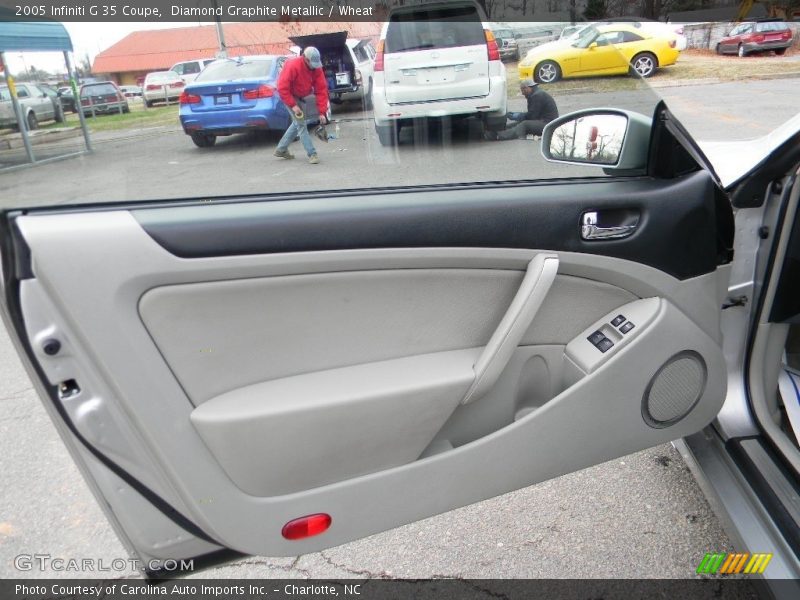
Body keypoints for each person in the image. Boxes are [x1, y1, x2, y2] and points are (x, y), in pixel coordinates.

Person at [274, 47, 330, 164]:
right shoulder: (292, 65)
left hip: (302, 96)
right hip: (289, 96)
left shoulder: (316, 68)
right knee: (301, 124)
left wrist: (322, 112)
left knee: (297, 123)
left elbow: (321, 90)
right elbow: (282, 88)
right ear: (305, 58)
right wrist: (293, 106)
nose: (314, 67)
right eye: (312, 63)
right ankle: (312, 154)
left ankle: (281, 149)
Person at [485, 79, 558, 141]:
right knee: (520, 122)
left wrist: (518, 116)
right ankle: (496, 131)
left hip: (548, 124)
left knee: (524, 124)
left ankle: (499, 136)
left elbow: (532, 116)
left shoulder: (537, 96)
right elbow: (533, 114)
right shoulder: (536, 94)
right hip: (543, 122)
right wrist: (518, 115)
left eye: (522, 90)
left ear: (527, 88)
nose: (522, 93)